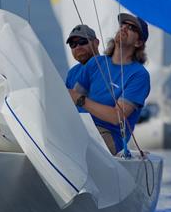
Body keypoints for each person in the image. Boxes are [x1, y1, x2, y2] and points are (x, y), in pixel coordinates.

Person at [70, 13, 151, 155]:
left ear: (138, 43)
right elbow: (72, 98)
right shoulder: (96, 63)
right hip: (79, 128)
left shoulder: (139, 75)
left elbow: (117, 117)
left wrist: (81, 100)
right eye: (122, 25)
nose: (124, 28)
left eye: (131, 28)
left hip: (107, 136)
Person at [64, 24, 100, 89]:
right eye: (72, 44)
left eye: (82, 41)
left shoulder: (109, 65)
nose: (78, 47)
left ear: (96, 42)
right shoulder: (72, 74)